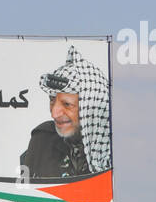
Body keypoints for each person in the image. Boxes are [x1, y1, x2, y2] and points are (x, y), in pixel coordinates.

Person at [19, 46, 111, 180]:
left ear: (91, 108)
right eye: (52, 100)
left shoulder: (115, 154)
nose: (54, 114)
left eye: (67, 104)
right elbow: (24, 193)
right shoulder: (42, 139)